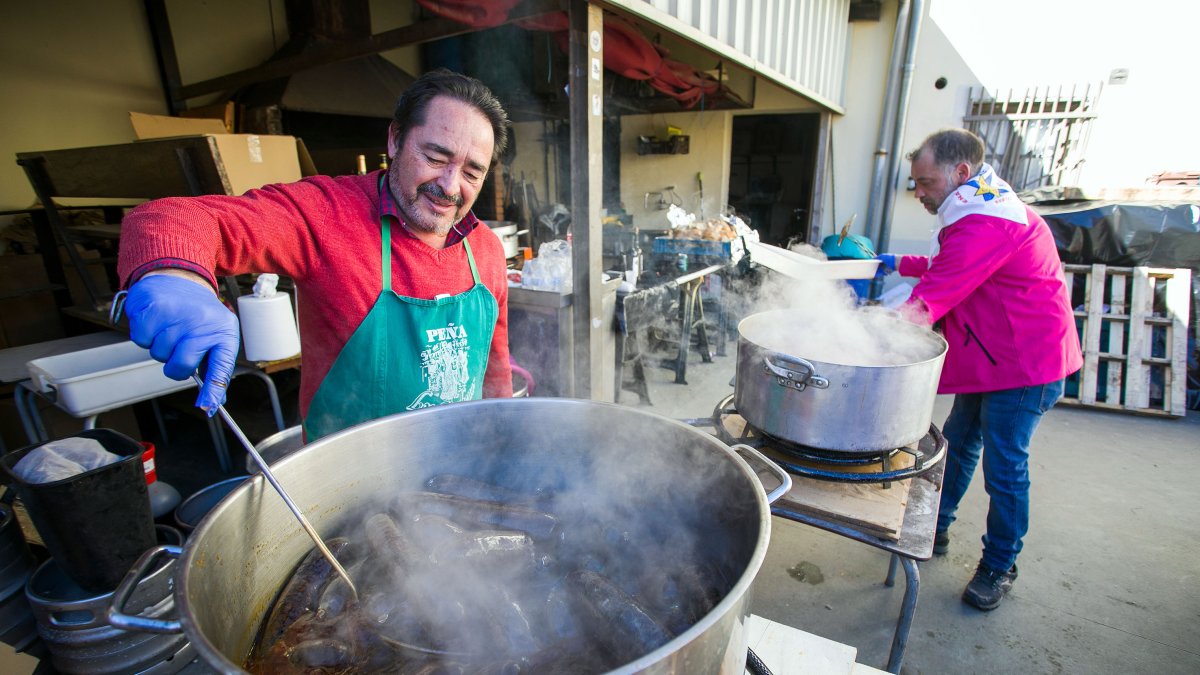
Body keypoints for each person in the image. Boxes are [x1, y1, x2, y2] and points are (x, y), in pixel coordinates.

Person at [116, 69, 514, 441]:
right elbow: (176, 217)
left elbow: (495, 370)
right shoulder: (324, 215)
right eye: (435, 158)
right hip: (346, 476)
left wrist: (505, 442)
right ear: (395, 140)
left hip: (457, 462)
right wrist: (178, 275)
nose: (450, 187)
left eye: (471, 173)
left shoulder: (486, 250)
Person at [875, 128, 1082, 611]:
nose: (918, 192)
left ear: (960, 172)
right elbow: (949, 263)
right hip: (992, 356)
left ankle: (999, 565)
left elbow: (928, 303)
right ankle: (936, 528)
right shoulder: (979, 205)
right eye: (916, 182)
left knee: (1005, 467)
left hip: (1027, 364)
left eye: (926, 182)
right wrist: (894, 261)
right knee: (959, 441)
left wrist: (864, 339)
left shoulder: (988, 221)